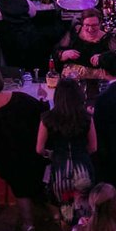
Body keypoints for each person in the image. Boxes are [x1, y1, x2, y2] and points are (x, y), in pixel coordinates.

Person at [0, 67, 44, 231]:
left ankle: (29, 225)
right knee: (34, 185)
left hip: (8, 161)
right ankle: (51, 214)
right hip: (32, 153)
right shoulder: (21, 98)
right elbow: (42, 114)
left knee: (20, 191)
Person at [39, 76, 97, 218]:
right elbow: (94, 147)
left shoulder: (47, 118)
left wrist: (51, 154)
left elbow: (39, 149)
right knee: (85, 211)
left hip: (60, 172)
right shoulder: (86, 117)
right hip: (83, 169)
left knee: (65, 212)